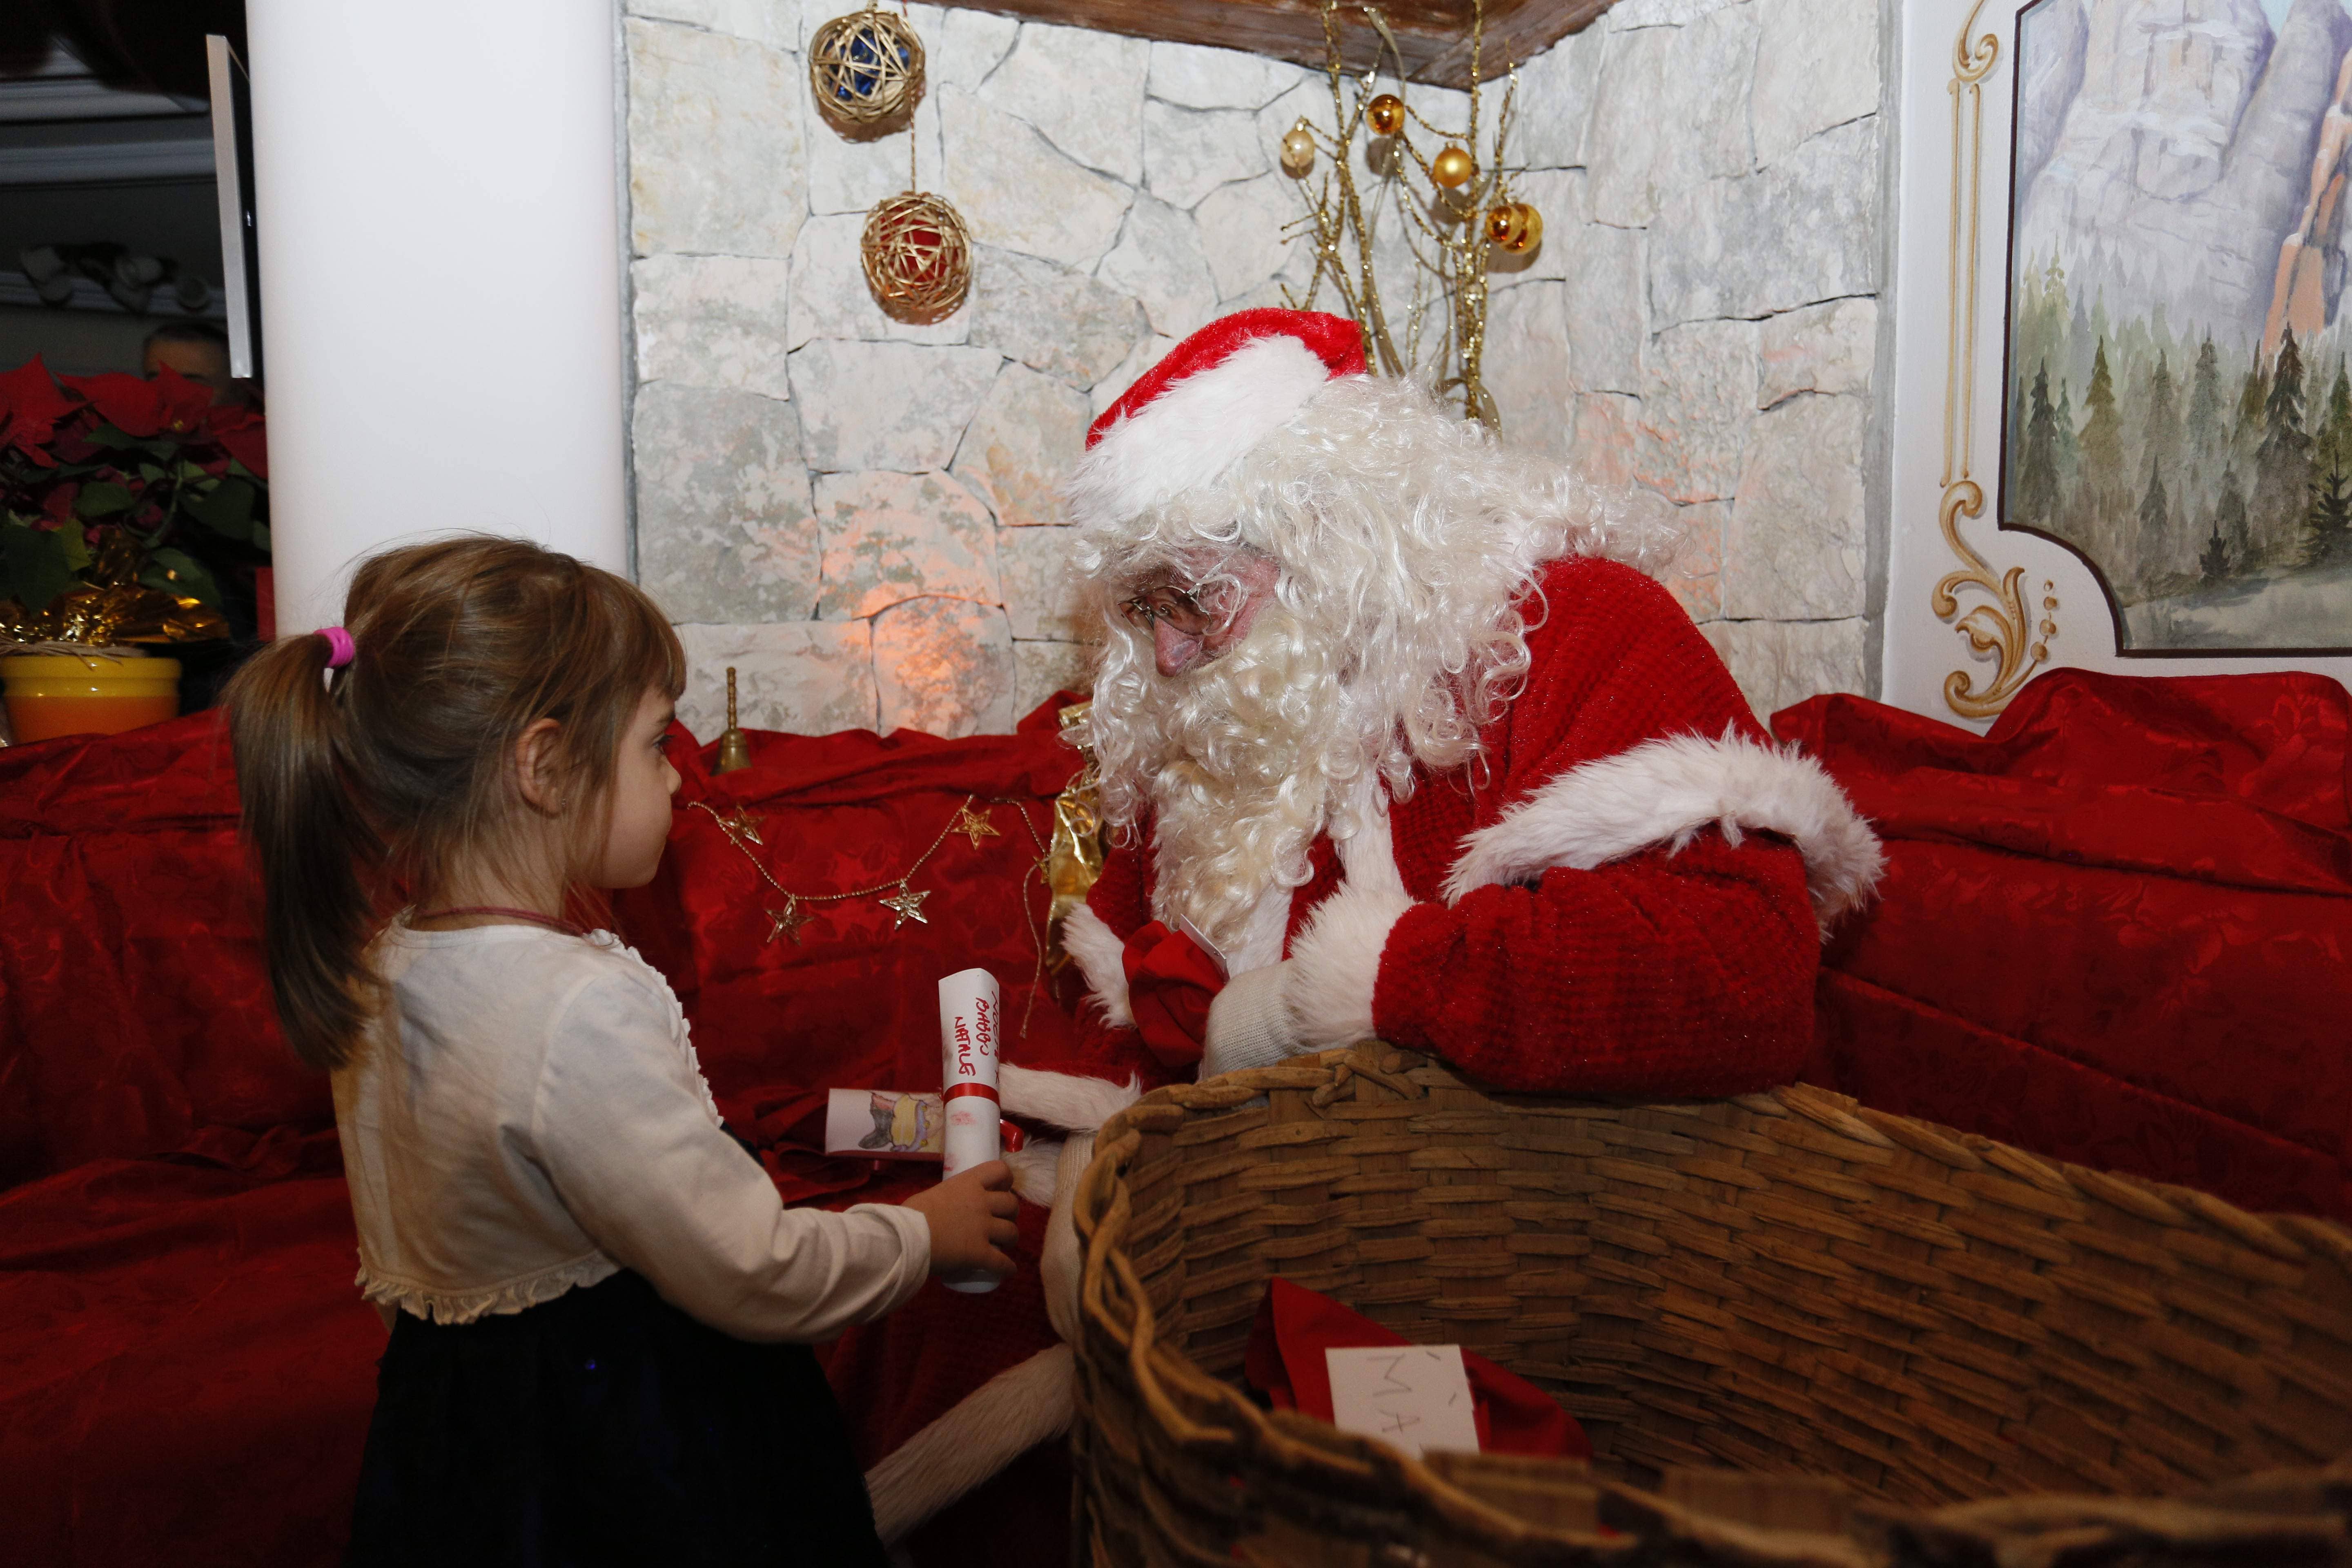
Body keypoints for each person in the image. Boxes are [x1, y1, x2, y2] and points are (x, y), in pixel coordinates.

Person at [224, 537, 1017, 1565]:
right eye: (656, 742)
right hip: (630, 1454)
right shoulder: (576, 1008)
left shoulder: (385, 966)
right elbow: (754, 1271)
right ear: (545, 767)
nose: (680, 777)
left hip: (457, 1444)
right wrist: (921, 1236)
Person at [1044, 310, 1885, 1095]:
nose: (1166, 653)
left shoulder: (1579, 629)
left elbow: (1741, 976)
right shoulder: (1215, 721)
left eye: (1189, 599)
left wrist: (1355, 990)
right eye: (1145, 611)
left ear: (1323, 533)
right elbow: (1110, 1032)